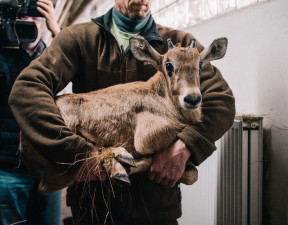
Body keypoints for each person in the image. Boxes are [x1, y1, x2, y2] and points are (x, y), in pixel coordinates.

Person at [9, 0, 236, 224]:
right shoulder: (79, 39)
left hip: (157, 207)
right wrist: (76, 152)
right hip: (94, 206)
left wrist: (186, 145)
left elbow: (221, 100)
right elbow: (27, 89)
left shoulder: (182, 46)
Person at [0, 1, 61, 225]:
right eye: (22, 17)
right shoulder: (3, 55)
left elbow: (81, 82)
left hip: (49, 171)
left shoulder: (54, 56)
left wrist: (59, 33)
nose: (30, 22)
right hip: (8, 170)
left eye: (37, 16)